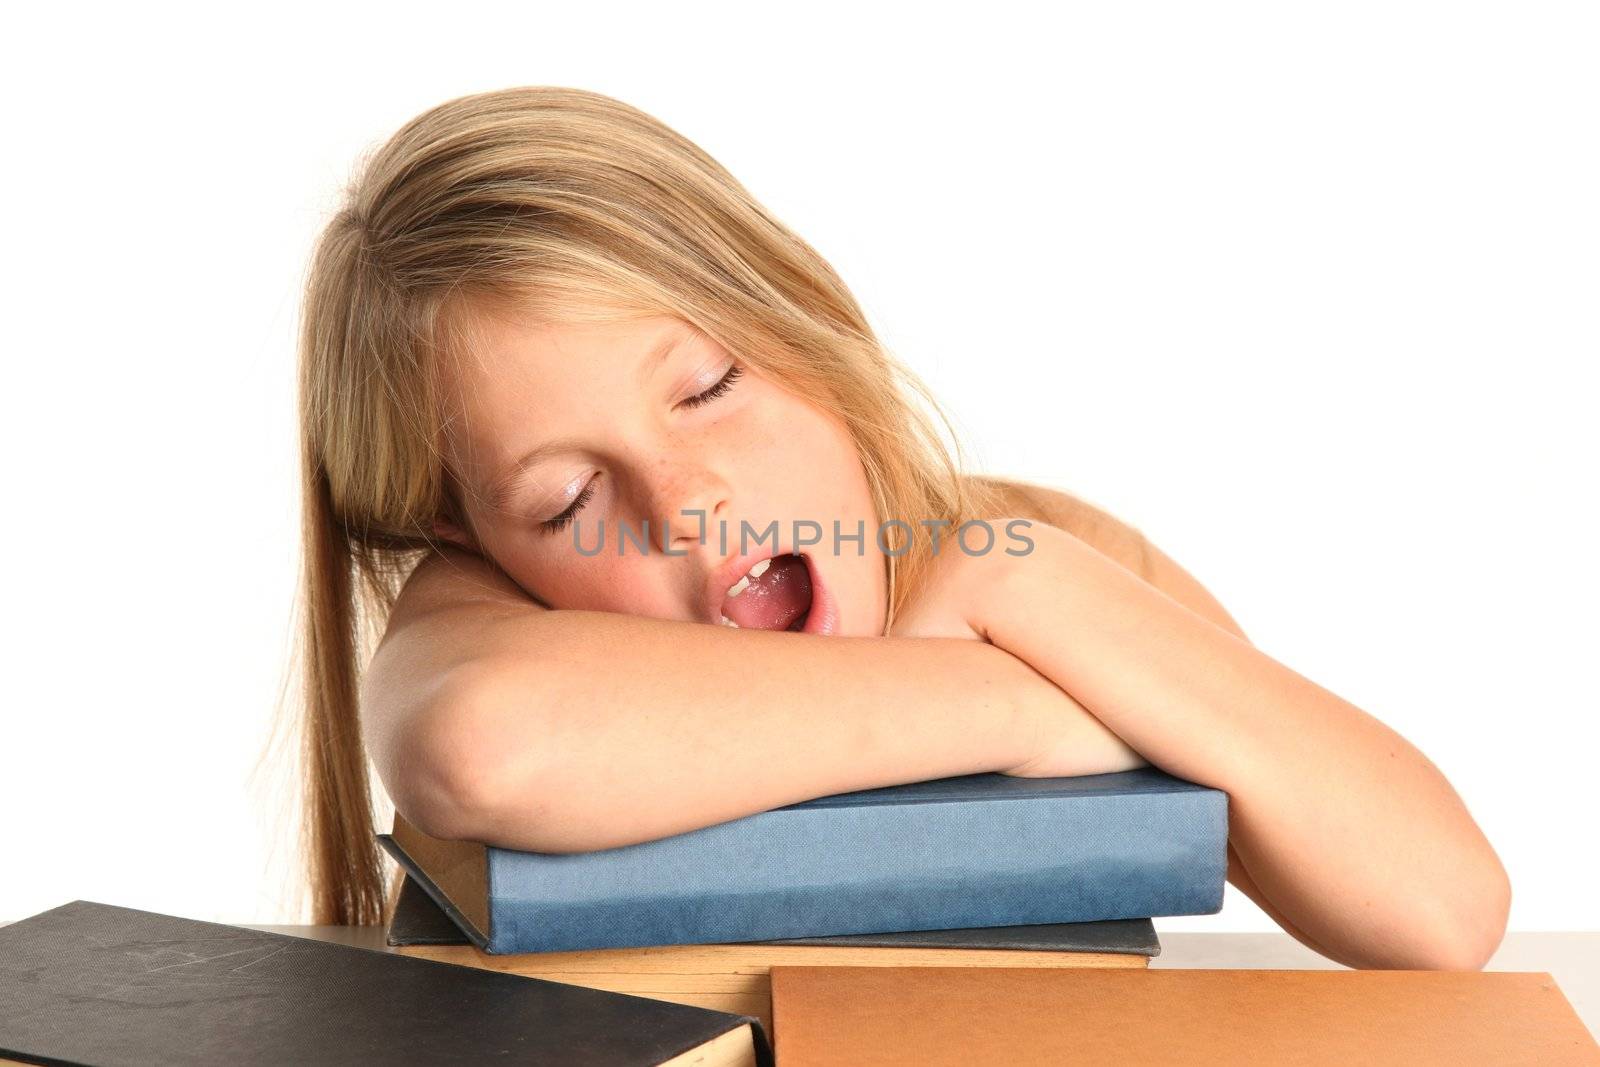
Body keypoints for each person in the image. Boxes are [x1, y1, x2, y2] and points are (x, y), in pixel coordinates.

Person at [289, 85, 1509, 970]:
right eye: (567, 499)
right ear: (464, 538)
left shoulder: (1036, 557)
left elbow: (1437, 910)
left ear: (813, 327)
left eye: (709, 386)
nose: (683, 505)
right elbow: (484, 746)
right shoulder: (487, 617)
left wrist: (1022, 589)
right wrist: (1022, 699)